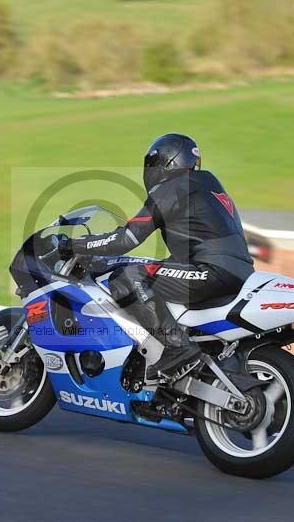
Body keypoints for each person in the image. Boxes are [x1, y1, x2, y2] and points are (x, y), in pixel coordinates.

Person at [60, 133, 254, 378]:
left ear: (165, 162)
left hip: (210, 270)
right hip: (239, 272)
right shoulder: (209, 186)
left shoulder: (173, 187)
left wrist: (76, 245)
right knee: (155, 269)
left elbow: (125, 240)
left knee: (128, 275)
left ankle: (177, 347)